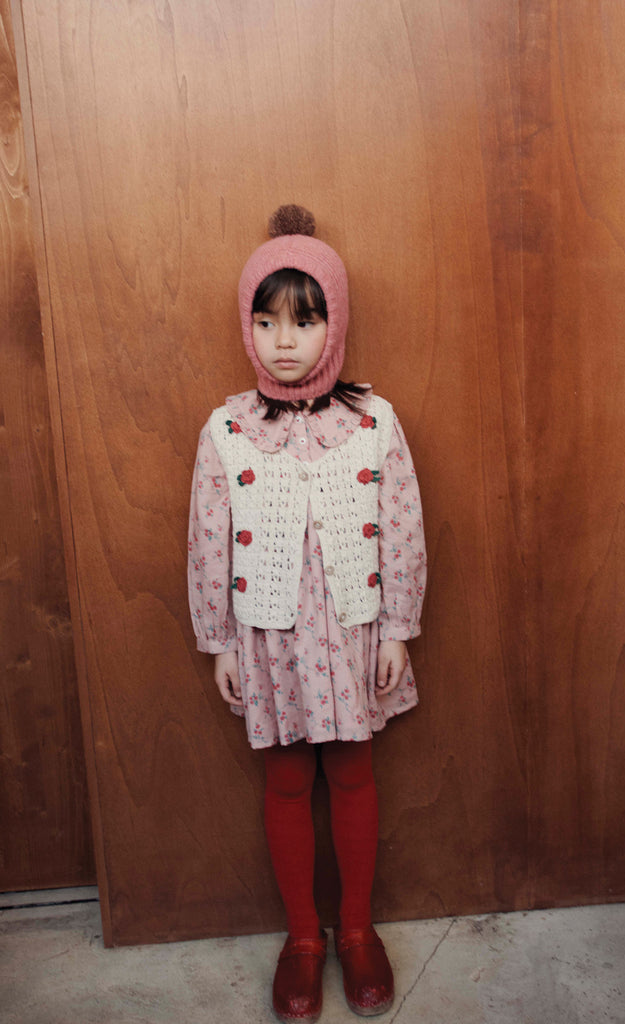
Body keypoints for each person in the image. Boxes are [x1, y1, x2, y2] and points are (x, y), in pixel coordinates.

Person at [188, 205, 426, 1023]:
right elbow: (207, 538)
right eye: (266, 321)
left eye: (304, 319)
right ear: (247, 327)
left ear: (336, 322)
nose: (283, 340)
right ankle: (303, 939)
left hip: (355, 629)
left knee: (353, 773)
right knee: (287, 781)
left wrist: (398, 627)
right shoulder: (226, 430)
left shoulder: (373, 423)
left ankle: (357, 931)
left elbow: (402, 528)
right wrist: (217, 640)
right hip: (271, 639)